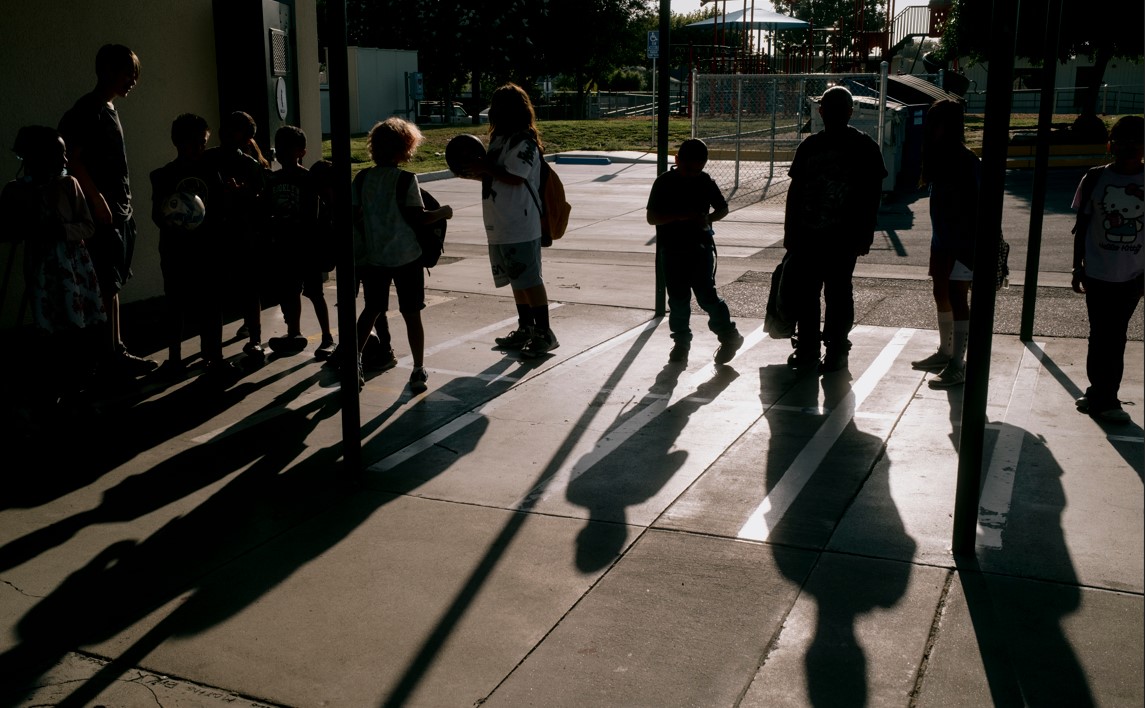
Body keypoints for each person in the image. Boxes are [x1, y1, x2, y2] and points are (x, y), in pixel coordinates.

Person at [57, 43, 157, 377]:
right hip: (103, 212)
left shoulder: (109, 108)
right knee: (103, 284)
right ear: (107, 71)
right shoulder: (88, 110)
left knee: (111, 284)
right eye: (127, 72)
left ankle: (116, 351)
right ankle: (105, 357)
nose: (132, 80)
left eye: (134, 74)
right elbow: (72, 158)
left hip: (118, 211)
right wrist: (97, 199)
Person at [0, 126, 106, 412]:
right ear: (35, 157)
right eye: (58, 154)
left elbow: (88, 226)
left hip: (74, 265)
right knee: (48, 323)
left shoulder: (69, 184)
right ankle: (53, 382)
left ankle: (78, 379)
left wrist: (61, 229)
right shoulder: (15, 190)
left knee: (76, 321)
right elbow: (7, 230)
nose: (64, 160)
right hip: (41, 265)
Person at [783, 86, 887, 374]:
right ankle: (832, 351)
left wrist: (790, 232)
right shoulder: (863, 146)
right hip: (838, 236)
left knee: (813, 294)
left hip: (815, 235)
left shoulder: (811, 146)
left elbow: (795, 192)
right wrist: (866, 232)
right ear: (849, 112)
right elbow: (872, 195)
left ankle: (811, 350)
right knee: (837, 294)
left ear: (821, 112)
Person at [351, 117, 452, 392]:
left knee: (371, 310)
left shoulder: (361, 179)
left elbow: (355, 215)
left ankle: (355, 362)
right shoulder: (406, 180)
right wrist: (444, 211)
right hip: (407, 258)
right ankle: (418, 369)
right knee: (411, 314)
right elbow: (418, 217)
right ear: (405, 148)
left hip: (374, 258)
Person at [466, 83, 558, 358]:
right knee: (516, 280)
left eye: (499, 107)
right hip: (498, 224)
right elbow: (493, 174)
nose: (494, 112)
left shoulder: (525, 143)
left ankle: (544, 333)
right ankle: (525, 328)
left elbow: (515, 176)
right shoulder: (499, 141)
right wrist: (471, 170)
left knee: (529, 279)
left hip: (520, 223)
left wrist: (485, 168)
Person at [1070, 115, 1144, 424]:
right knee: (1101, 334)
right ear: (1110, 145)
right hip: (1097, 273)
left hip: (1132, 275)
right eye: (1122, 140)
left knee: (1114, 335)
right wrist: (1077, 268)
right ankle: (1100, 392)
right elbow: (1082, 226)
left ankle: (1104, 395)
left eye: (1135, 141)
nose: (1128, 147)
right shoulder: (1094, 178)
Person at [646, 138, 744, 364]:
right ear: (677, 160)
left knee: (707, 296)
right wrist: (682, 216)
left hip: (700, 248)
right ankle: (681, 343)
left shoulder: (705, 181)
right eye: (688, 169)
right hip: (672, 249)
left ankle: (729, 336)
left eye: (697, 170)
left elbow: (723, 208)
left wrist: (707, 219)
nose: (692, 174)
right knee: (678, 299)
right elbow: (652, 218)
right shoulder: (664, 182)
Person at [149, 113, 229, 379]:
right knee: (176, 304)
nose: (200, 148)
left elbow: (218, 208)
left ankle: (213, 355)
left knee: (212, 303)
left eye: (203, 143)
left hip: (208, 249)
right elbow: (156, 214)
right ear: (177, 142)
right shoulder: (163, 176)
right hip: (176, 250)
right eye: (194, 143)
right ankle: (174, 358)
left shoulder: (212, 171)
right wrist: (175, 221)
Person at [910, 99, 980, 388]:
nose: (931, 129)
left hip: (963, 242)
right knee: (941, 292)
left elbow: (978, 205)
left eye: (936, 123)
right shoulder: (939, 157)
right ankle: (945, 351)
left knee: (957, 296)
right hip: (942, 239)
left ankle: (958, 364)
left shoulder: (967, 160)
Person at [263, 125, 335, 358]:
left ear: (301, 152)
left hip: (307, 246)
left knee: (315, 293)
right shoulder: (273, 179)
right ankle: (294, 332)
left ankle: (327, 337)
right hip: (284, 246)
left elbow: (313, 214)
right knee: (290, 292)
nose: (282, 152)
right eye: (279, 147)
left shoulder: (308, 179)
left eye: (288, 148)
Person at [204, 111, 268, 361]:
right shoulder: (207, 159)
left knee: (249, 290)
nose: (226, 132)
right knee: (215, 293)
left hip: (243, 235)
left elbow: (261, 203)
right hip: (215, 235)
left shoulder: (250, 166)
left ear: (247, 138)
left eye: (235, 129)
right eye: (226, 127)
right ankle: (213, 347)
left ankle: (255, 340)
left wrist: (245, 194)